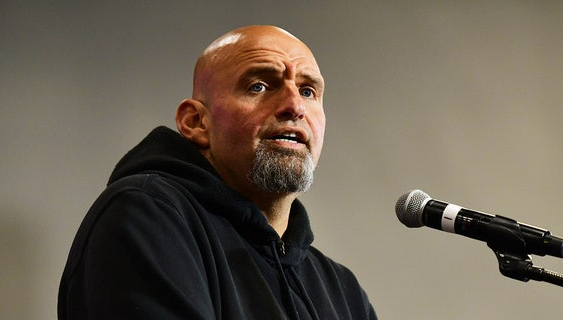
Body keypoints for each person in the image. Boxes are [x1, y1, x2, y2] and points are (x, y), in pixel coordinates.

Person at [58, 25, 377, 320]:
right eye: (260, 86)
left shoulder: (342, 291)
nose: (295, 106)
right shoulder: (146, 217)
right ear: (195, 122)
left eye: (308, 91)